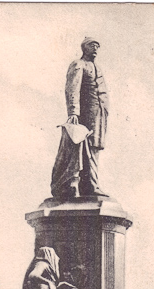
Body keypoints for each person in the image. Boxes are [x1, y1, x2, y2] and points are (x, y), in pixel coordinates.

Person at [51, 38, 109, 198]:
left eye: (97, 46)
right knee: (85, 146)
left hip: (99, 113)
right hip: (85, 113)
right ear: (84, 48)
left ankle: (91, 184)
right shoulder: (78, 64)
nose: (95, 48)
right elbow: (72, 89)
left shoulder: (97, 67)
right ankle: (89, 184)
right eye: (92, 45)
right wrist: (74, 112)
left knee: (95, 147)